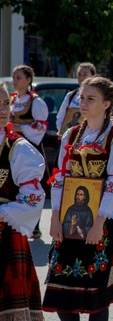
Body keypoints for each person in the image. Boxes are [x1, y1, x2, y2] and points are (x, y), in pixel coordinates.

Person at [43, 76, 113, 321]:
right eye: (82, 97)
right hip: (69, 220)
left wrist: (99, 223)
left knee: (96, 292)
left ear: (107, 104)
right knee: (62, 289)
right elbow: (60, 179)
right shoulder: (70, 135)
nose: (84, 102)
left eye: (91, 98)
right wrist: (55, 218)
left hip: (102, 221)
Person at [0, 81, 45, 321]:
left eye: (6, 102)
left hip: (5, 231)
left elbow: (33, 198)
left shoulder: (18, 148)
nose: (3, 109)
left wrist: (3, 213)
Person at [10, 64, 49, 238]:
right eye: (14, 77)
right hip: (13, 147)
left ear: (28, 80)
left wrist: (20, 128)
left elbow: (41, 126)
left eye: (18, 78)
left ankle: (35, 225)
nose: (14, 81)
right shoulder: (12, 100)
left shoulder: (36, 102)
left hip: (30, 147)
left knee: (31, 184)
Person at [56, 62, 96, 135]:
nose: (81, 77)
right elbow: (60, 116)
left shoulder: (97, 97)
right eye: (79, 74)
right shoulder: (71, 95)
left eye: (85, 75)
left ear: (92, 76)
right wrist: (62, 132)